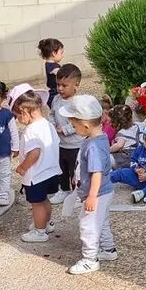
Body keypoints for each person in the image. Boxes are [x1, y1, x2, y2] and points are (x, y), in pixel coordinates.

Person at [57, 94, 118, 274]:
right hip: (104, 191)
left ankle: (90, 259)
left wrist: (91, 196)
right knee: (102, 221)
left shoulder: (93, 146)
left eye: (74, 125)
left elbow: (96, 172)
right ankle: (108, 249)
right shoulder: (99, 137)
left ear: (85, 126)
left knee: (88, 226)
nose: (73, 128)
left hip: (97, 194)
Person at [8, 84, 62, 243]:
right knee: (45, 200)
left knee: (37, 204)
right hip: (51, 172)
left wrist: (22, 167)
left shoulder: (31, 130)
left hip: (36, 175)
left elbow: (34, 153)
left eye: (17, 116)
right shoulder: (48, 124)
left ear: (24, 111)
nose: (18, 120)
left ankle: (40, 232)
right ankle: (46, 224)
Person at [48, 64, 84, 205]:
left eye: (64, 85)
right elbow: (51, 114)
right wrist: (51, 124)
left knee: (75, 171)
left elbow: (80, 122)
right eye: (58, 85)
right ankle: (63, 190)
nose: (60, 88)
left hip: (75, 144)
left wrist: (64, 129)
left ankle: (77, 193)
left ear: (76, 85)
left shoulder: (78, 103)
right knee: (61, 168)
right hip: (60, 143)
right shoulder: (56, 99)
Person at [109, 122, 146, 203]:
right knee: (122, 172)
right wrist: (136, 169)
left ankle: (141, 194)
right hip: (137, 176)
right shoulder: (140, 148)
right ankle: (104, 181)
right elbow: (133, 160)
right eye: (145, 139)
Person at [107, 104, 144, 169]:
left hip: (127, 157)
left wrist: (107, 150)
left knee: (107, 159)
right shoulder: (139, 125)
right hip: (141, 154)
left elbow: (119, 145)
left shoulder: (122, 132)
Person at [37, 38, 64, 109]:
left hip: (54, 92)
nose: (62, 55)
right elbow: (59, 73)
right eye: (61, 53)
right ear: (54, 53)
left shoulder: (48, 64)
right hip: (55, 93)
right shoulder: (53, 66)